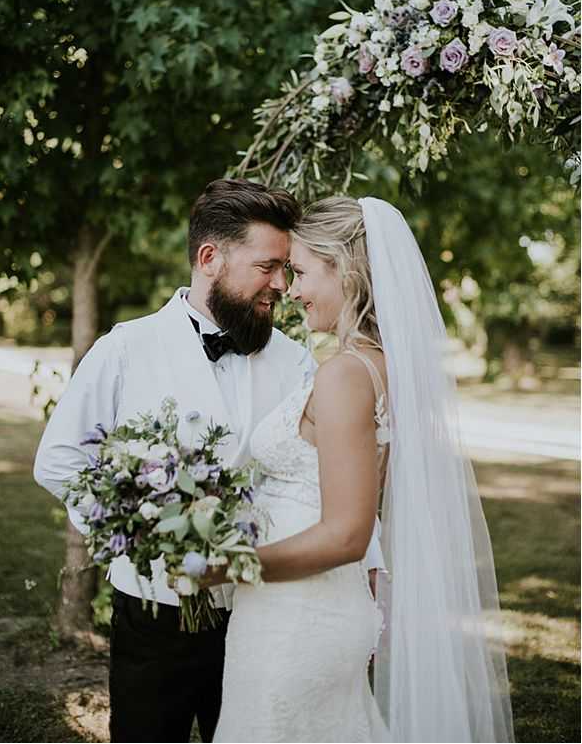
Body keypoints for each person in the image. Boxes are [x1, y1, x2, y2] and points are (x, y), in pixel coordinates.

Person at [33, 178, 384, 743]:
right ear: (209, 258)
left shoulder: (298, 362)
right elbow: (58, 460)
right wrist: (137, 535)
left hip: (265, 607)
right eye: (268, 266)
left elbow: (335, 483)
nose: (281, 284)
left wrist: (364, 584)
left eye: (289, 269)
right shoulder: (126, 348)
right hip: (153, 609)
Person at [211, 196, 514, 744]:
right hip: (310, 606)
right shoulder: (378, 367)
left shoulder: (346, 374)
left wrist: (231, 565)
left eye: (300, 272)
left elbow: (349, 532)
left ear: (345, 270)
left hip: (298, 615)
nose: (291, 290)